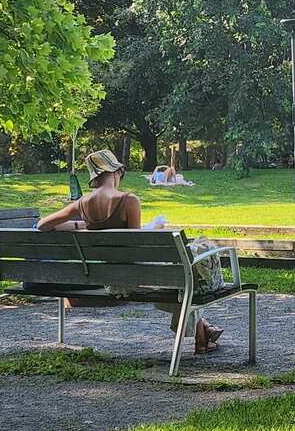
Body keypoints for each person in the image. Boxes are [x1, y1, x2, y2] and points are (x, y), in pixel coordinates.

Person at [38, 149, 222, 353]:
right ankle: (201, 338)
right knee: (182, 279)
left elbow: (42, 225)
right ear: (116, 172)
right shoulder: (129, 200)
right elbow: (137, 248)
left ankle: (203, 330)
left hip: (113, 281)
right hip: (136, 278)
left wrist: (82, 224)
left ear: (95, 177)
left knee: (176, 282)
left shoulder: (81, 205)